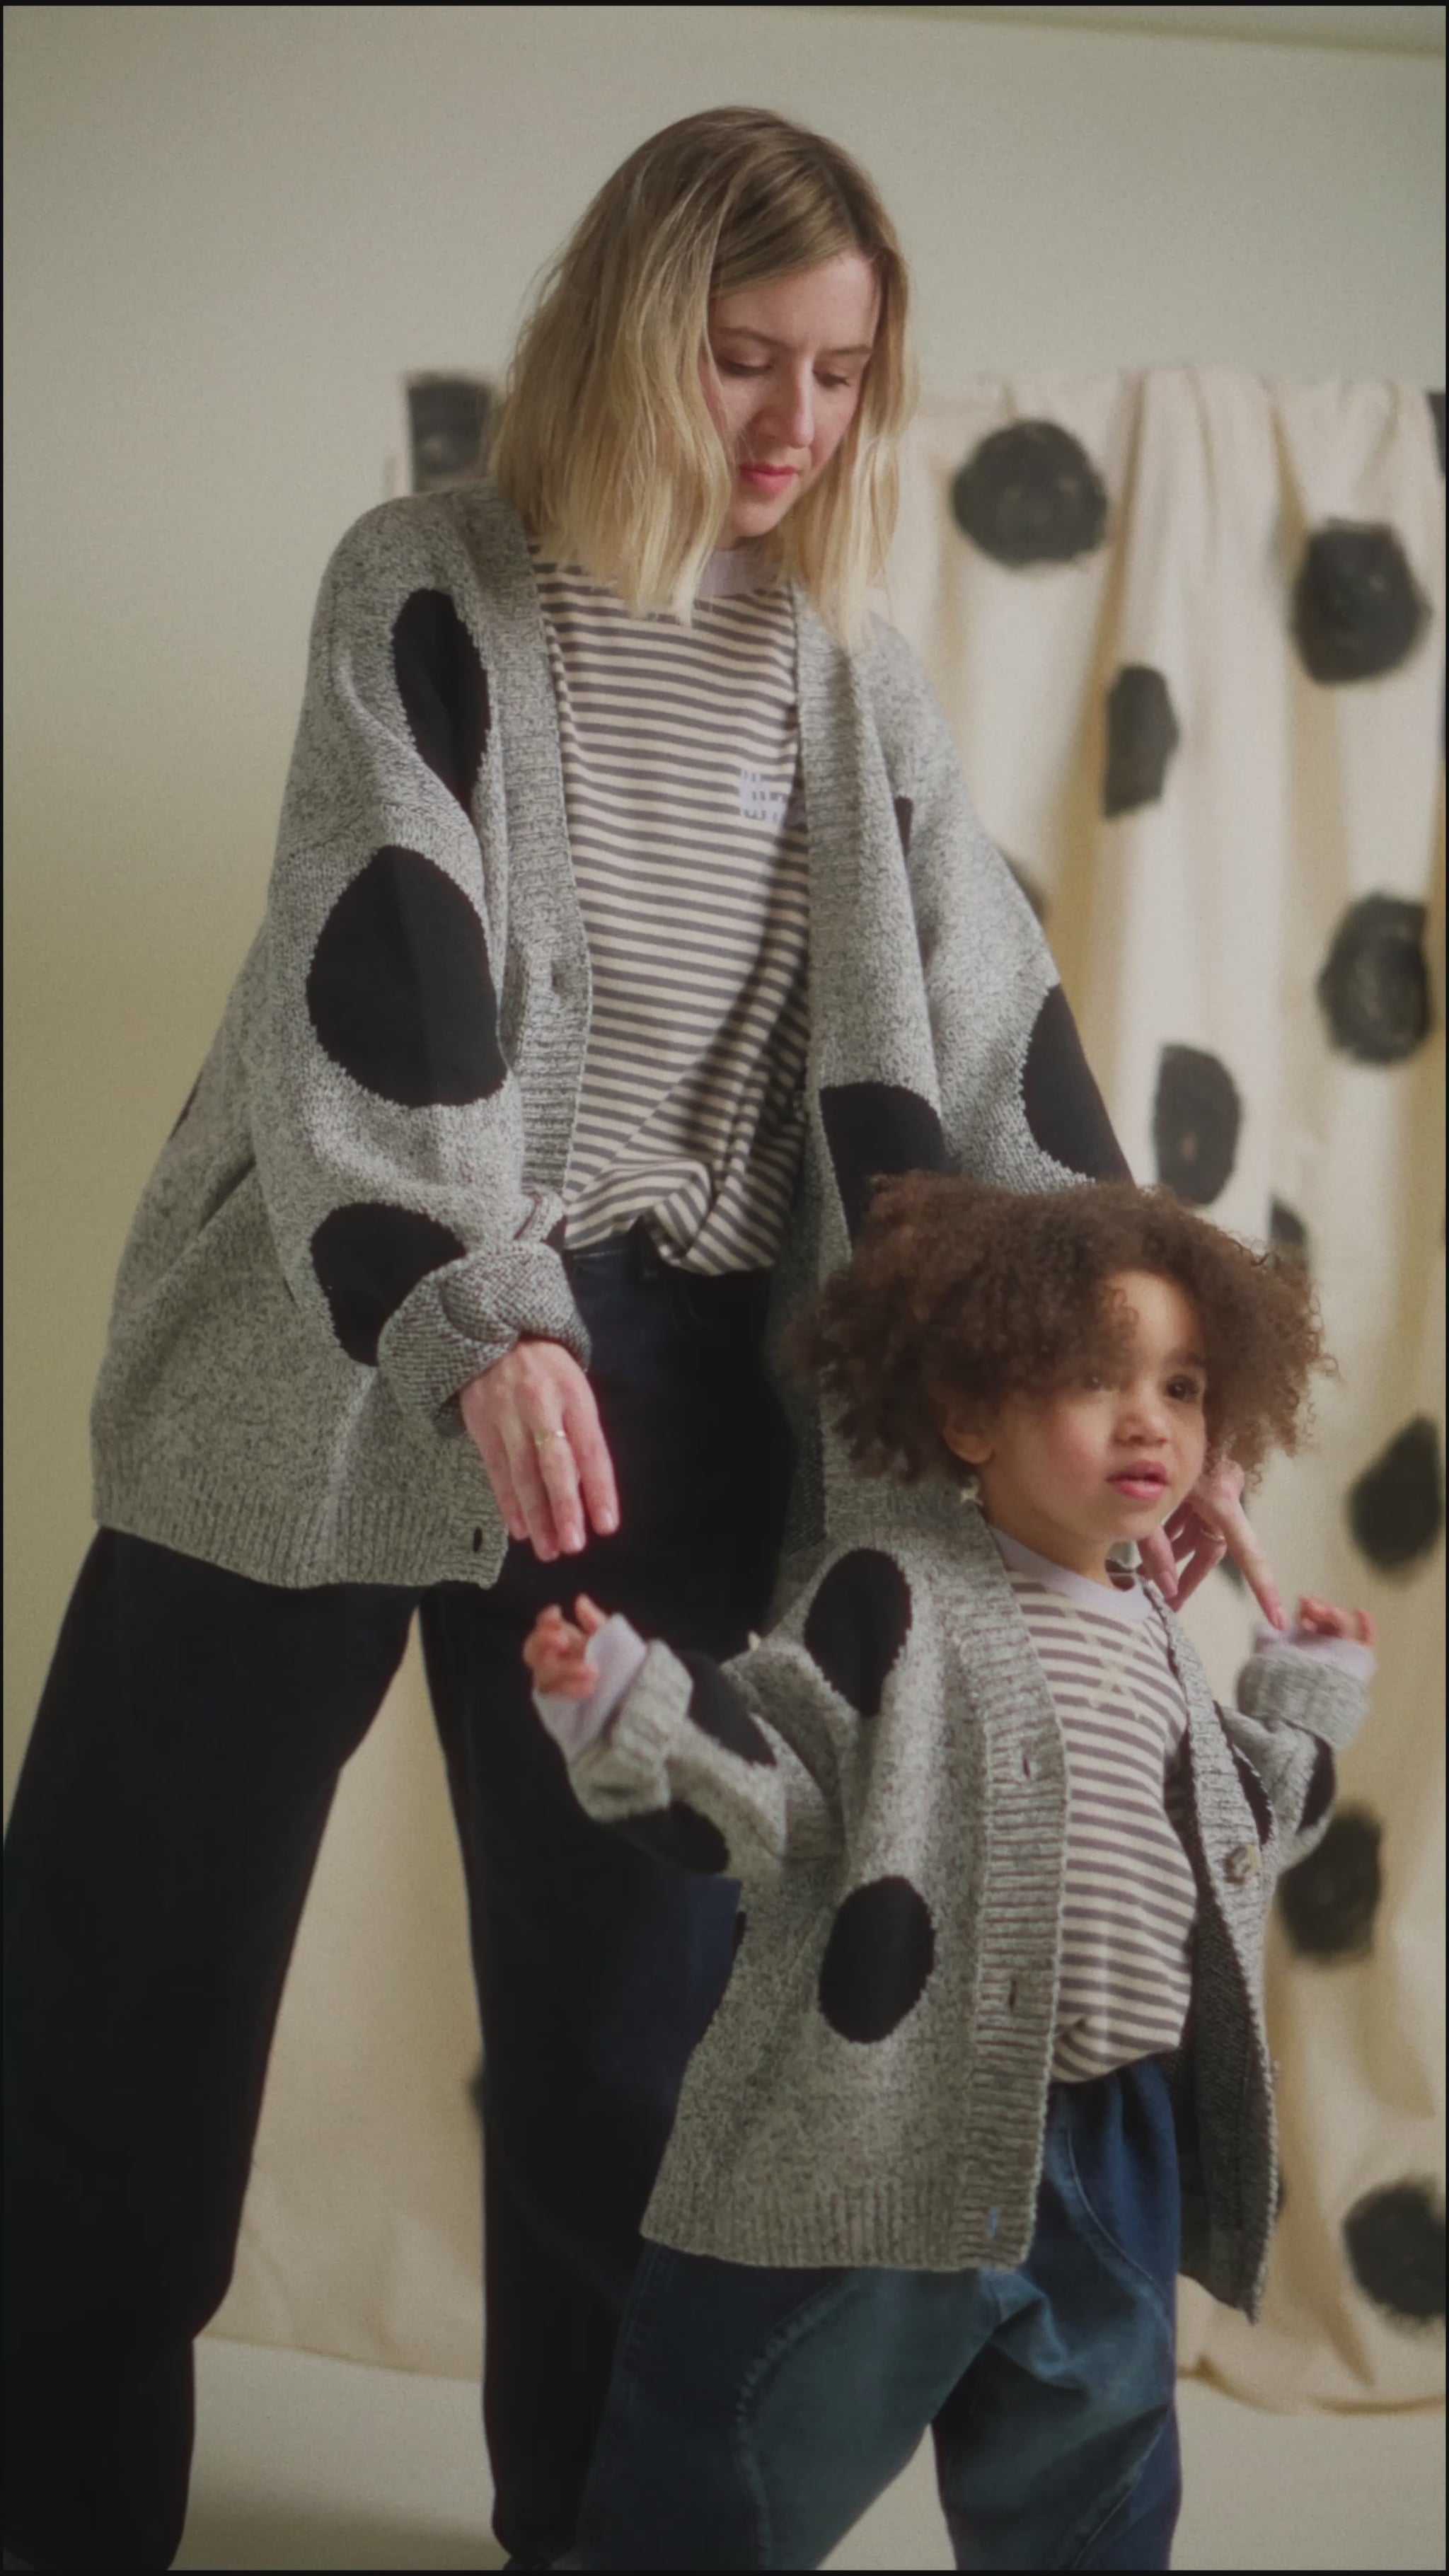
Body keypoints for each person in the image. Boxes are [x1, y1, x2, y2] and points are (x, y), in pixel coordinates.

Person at [4, 108, 1281, 2576]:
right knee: (123, 1982)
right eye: (741, 357)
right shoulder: (428, 578)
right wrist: (480, 1308)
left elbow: (996, 1051)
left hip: (671, 1400)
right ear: (627, 330)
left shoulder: (849, 675)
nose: (793, 420)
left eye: (840, 373)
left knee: (634, 2053)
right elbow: (382, 949)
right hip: (323, 1350)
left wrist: (1158, 1393)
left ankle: (595, 2544)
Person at [524, 1174, 1375, 2574]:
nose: (1149, 1419)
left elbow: (1244, 1828)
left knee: (1095, 2484)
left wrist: (1303, 1691)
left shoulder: (1160, 1637)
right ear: (972, 1415)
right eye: (1094, 1377)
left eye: (1181, 1385)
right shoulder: (892, 1594)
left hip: (1110, 2145)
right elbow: (779, 1783)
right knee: (730, 2459)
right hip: (882, 2124)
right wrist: (634, 1709)